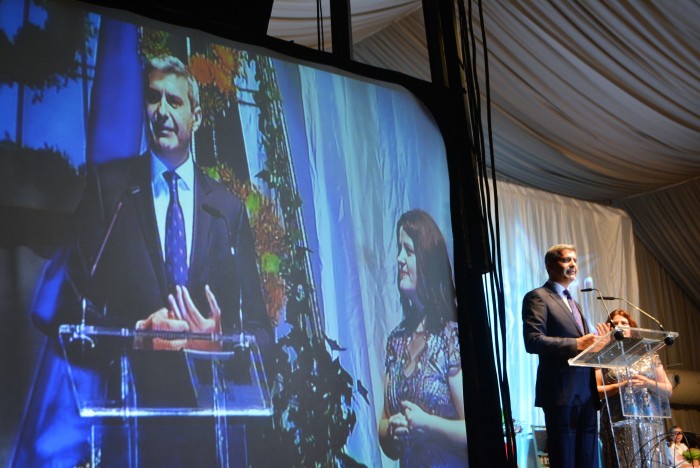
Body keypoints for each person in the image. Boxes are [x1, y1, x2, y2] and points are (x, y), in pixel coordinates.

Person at [13, 55, 270, 467]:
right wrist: (135, 333)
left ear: (197, 115)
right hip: (125, 433)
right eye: (153, 98)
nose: (162, 111)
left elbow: (261, 331)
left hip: (206, 440)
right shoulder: (109, 192)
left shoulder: (227, 209)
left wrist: (219, 341)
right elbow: (59, 306)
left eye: (174, 101)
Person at [378, 209, 468, 467]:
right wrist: (392, 430)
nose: (399, 259)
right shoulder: (396, 340)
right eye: (398, 250)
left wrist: (428, 426)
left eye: (408, 250)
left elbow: (477, 430)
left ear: (427, 259)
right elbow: (384, 426)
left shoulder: (451, 336)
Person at [522, 243, 600, 468]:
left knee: (589, 461)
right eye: (567, 260)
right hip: (561, 393)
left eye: (575, 260)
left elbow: (584, 346)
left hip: (585, 395)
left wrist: (600, 344)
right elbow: (533, 341)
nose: (573, 264)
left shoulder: (573, 304)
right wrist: (577, 343)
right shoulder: (538, 297)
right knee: (565, 460)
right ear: (550, 266)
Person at [595, 309, 673, 467]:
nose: (619, 326)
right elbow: (595, 391)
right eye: (614, 324)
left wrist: (647, 382)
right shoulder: (601, 355)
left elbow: (668, 390)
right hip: (617, 421)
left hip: (649, 419)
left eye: (624, 323)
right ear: (609, 329)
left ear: (632, 328)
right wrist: (620, 387)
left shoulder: (648, 354)